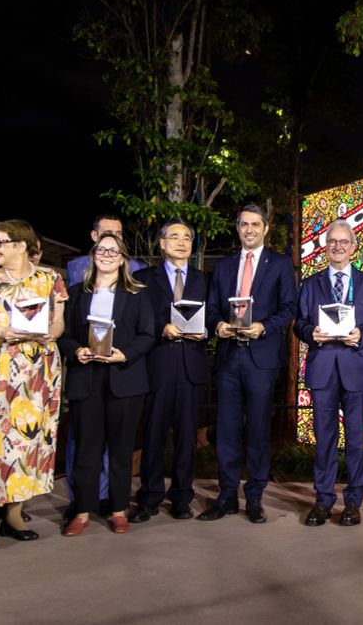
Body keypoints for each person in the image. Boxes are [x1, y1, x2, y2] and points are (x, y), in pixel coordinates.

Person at [0, 219, 67, 551]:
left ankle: (14, 515)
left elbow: (59, 320)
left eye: (0, 243)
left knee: (24, 443)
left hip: (36, 374)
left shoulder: (50, 279)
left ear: (21, 245)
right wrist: (1, 332)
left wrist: (54, 332)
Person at [202, 205, 297, 523]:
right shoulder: (226, 267)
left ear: (266, 228)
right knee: (226, 431)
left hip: (262, 357)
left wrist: (265, 327)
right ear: (238, 227)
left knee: (257, 430)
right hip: (229, 356)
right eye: (244, 224)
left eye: (256, 224)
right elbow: (213, 307)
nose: (250, 229)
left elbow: (288, 307)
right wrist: (217, 326)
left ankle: (254, 498)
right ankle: (227, 496)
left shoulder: (281, 264)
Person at [59, 233, 154, 535]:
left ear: (124, 258)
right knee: (87, 448)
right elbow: (63, 335)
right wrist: (76, 351)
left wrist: (124, 355)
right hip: (86, 378)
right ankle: (82, 511)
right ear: (93, 255)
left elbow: (148, 335)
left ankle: (118, 509)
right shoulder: (76, 293)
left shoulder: (138, 294)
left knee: (121, 450)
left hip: (124, 379)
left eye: (114, 251)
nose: (107, 255)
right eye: (102, 250)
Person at [294, 220, 363, 526]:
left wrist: (362, 335)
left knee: (357, 440)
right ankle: (322, 500)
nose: (338, 246)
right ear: (325, 246)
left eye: (344, 242)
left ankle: (353, 502)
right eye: (332, 241)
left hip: (355, 367)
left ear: (353, 247)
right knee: (324, 439)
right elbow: (299, 323)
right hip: (322, 367)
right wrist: (311, 333)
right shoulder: (310, 284)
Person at [129, 219, 210, 523]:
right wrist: (160, 328)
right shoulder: (142, 277)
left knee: (187, 437)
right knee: (152, 435)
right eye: (173, 237)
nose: (180, 242)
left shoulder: (204, 280)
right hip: (157, 365)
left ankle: (181, 497)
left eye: (186, 237)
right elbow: (136, 319)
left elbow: (212, 316)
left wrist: (205, 332)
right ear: (162, 243)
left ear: (192, 244)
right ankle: (148, 498)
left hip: (191, 366)